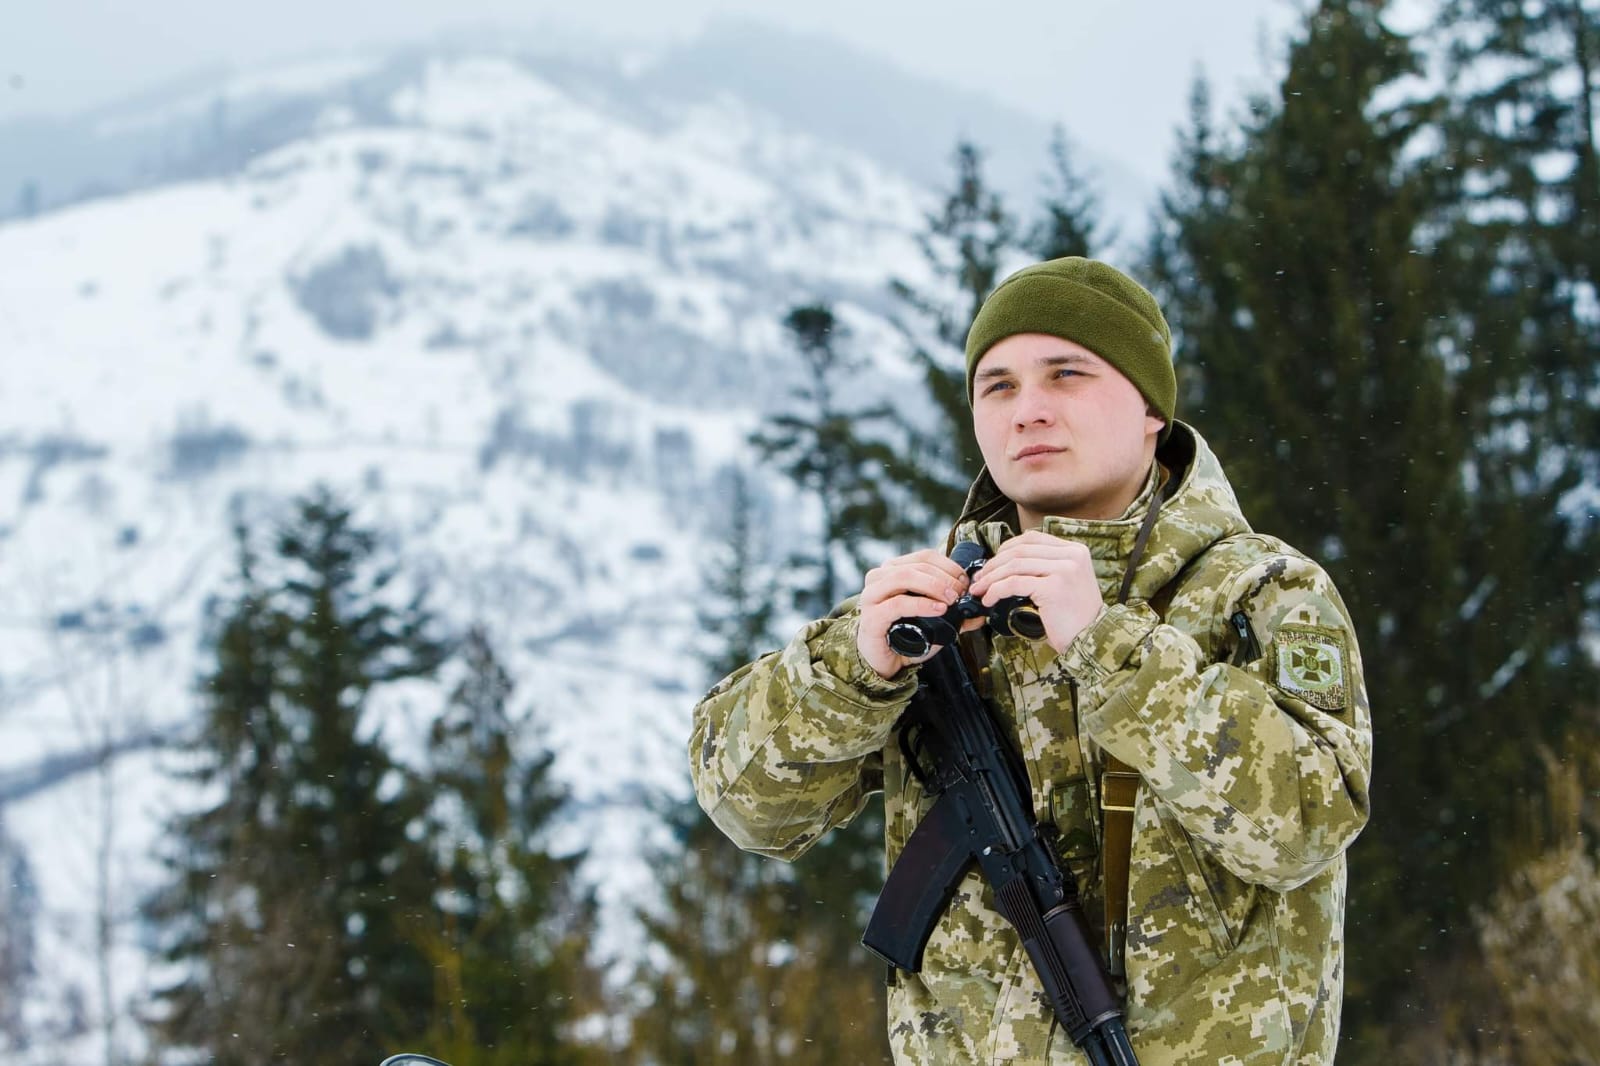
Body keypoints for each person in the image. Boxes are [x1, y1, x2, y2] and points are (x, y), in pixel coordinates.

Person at [689, 257, 1372, 1065]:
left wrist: (1109, 648)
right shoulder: (939, 610)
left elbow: (1307, 823)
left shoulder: (1259, 591)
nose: (1029, 411)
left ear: (1150, 407)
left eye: (1067, 374)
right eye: (999, 386)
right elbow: (747, 807)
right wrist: (851, 668)